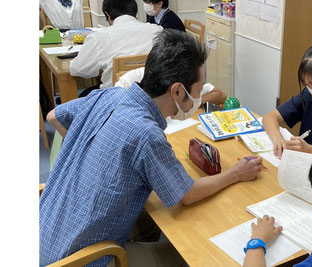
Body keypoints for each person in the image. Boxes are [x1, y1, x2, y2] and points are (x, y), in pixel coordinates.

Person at [40, 29, 263, 267]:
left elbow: (54, 116)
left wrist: (89, 150)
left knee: (149, 219)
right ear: (178, 91)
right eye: (197, 93)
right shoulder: (147, 134)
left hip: (41, 235)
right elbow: (186, 195)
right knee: (189, 254)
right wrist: (236, 173)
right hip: (78, 261)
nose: (198, 100)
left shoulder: (109, 96)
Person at [69, 0, 163, 94]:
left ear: (107, 15)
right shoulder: (156, 30)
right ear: (135, 11)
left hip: (115, 99)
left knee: (85, 94)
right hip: (151, 97)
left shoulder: (99, 37)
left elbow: (77, 69)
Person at [114, 66, 227, 107]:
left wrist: (194, 101)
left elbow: (220, 95)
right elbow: (116, 103)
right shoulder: (130, 80)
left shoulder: (185, 79)